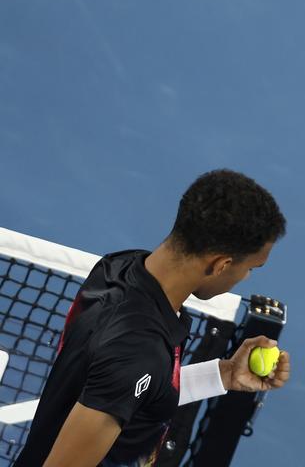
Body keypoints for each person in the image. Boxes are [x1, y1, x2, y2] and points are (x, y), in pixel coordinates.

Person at [16, 169, 290, 467]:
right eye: (251, 268)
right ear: (221, 264)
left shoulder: (121, 268)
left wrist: (223, 375)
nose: (247, 277)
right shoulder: (137, 352)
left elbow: (134, 388)